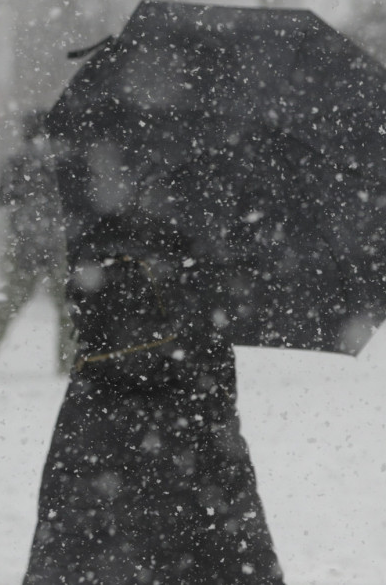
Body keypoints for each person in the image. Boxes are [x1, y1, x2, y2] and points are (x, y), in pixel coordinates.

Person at [22, 160, 286, 581]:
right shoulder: (210, 253)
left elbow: (92, 322)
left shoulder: (102, 242)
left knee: (89, 549)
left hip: (107, 430)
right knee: (213, 548)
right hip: (192, 430)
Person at [0, 110, 75, 373]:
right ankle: (68, 364)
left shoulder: (18, 161)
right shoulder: (65, 160)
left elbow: (1, 198)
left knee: (8, 306)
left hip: (25, 243)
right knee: (68, 310)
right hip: (60, 244)